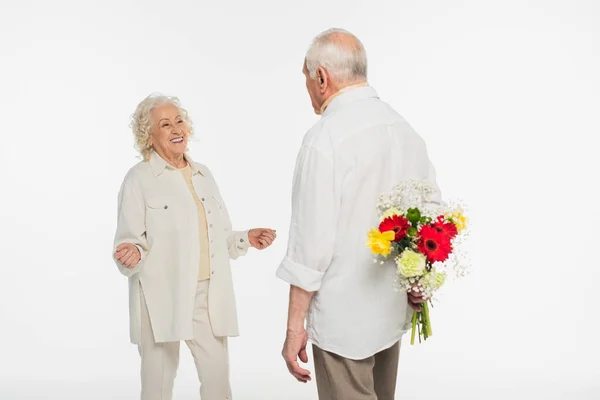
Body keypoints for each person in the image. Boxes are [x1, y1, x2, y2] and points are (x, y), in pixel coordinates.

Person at [277, 28, 441, 399]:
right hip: (389, 310)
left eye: (306, 76)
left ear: (322, 77)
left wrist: (293, 329)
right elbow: (431, 218)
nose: (307, 86)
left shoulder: (325, 139)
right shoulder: (404, 129)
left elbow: (310, 248)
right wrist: (419, 281)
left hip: (344, 322)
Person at [113, 93, 276, 400]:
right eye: (165, 124)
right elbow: (128, 240)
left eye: (179, 120)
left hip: (207, 294)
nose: (177, 128)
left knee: (217, 381)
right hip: (160, 296)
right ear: (149, 136)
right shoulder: (139, 179)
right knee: (157, 384)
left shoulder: (203, 174)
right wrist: (131, 252)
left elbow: (222, 236)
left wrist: (247, 238)